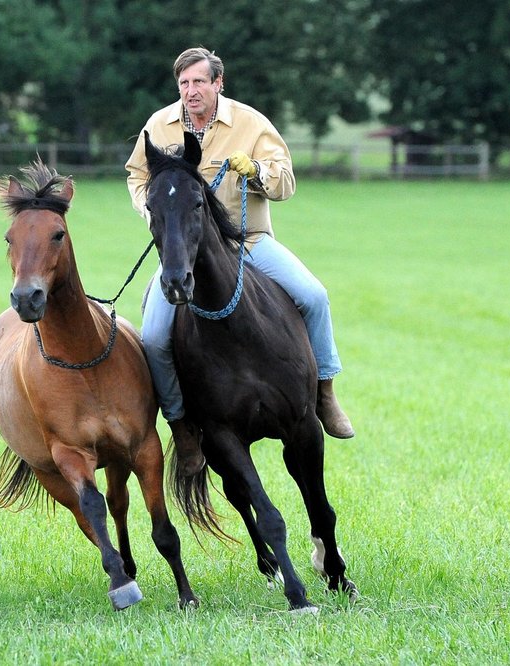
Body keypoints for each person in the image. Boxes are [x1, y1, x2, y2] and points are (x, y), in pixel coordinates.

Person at [125, 47, 354, 475]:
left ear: (218, 83)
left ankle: (324, 392)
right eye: (184, 84)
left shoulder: (250, 123)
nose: (190, 91)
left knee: (314, 295)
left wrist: (256, 172)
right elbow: (138, 174)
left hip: (249, 242)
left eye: (198, 82)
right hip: (186, 248)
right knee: (154, 336)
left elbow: (285, 183)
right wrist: (155, 210)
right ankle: (182, 426)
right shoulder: (158, 125)